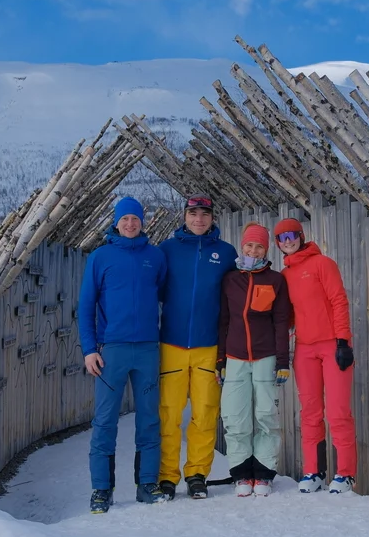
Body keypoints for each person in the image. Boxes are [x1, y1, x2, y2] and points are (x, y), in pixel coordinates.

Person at [78, 197, 169, 513]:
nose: (131, 224)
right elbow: (86, 307)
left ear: (143, 222)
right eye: (125, 218)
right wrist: (90, 349)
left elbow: (160, 293)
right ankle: (102, 489)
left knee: (149, 419)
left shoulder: (155, 257)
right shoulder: (100, 258)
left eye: (136, 218)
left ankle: (147, 484)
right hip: (110, 351)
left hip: (146, 349)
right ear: (116, 222)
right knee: (104, 421)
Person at [156, 193, 238, 500]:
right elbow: (154, 290)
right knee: (169, 413)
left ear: (212, 217)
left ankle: (197, 473)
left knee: (205, 413)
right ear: (184, 216)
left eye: (204, 214)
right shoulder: (167, 249)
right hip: (172, 343)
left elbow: (235, 299)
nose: (198, 219)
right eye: (193, 214)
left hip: (209, 346)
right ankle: (167, 476)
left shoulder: (226, 253)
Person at [273, 217, 357, 494]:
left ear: (300, 236)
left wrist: (343, 341)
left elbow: (338, 300)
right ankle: (314, 471)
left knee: (337, 411)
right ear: (277, 244)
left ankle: (345, 473)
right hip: (305, 349)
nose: (288, 241)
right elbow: (287, 317)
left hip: (332, 345)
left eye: (291, 235)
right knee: (310, 411)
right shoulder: (285, 276)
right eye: (282, 238)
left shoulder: (322, 264)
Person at [217, 222, 292, 497]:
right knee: (235, 418)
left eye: (259, 246)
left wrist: (283, 362)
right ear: (242, 245)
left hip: (266, 357)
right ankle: (241, 474)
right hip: (234, 357)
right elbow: (223, 321)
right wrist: (219, 360)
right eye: (249, 244)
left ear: (266, 249)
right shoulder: (230, 279)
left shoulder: (275, 280)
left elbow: (281, 321)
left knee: (265, 416)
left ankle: (263, 474)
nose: (253, 250)